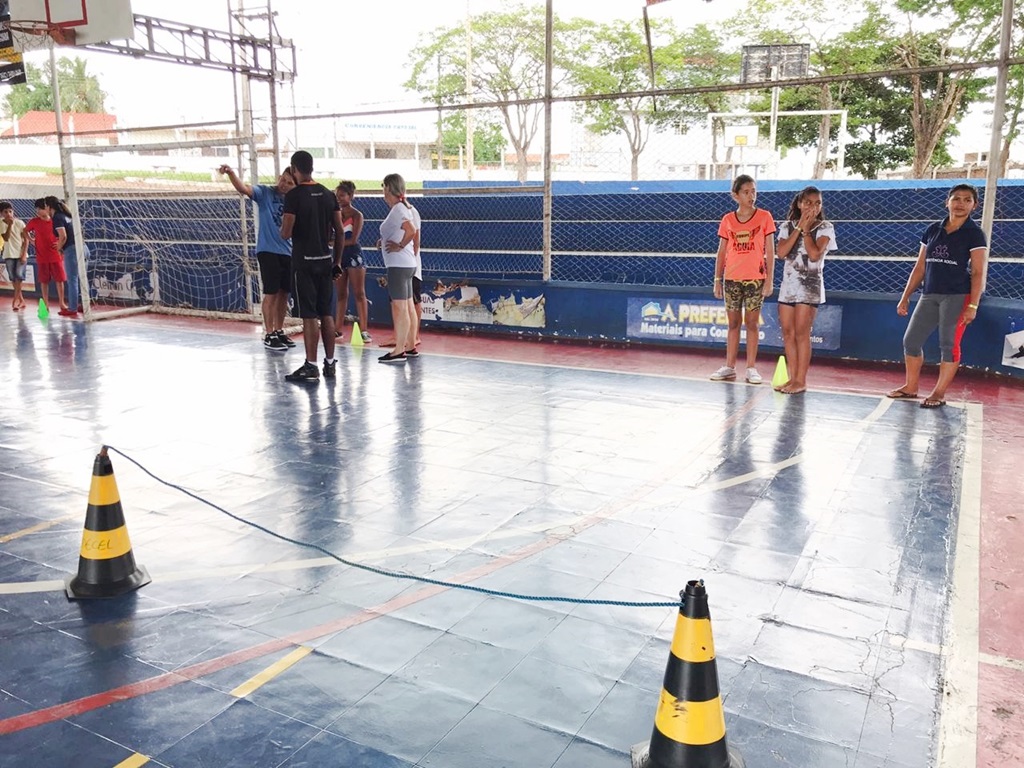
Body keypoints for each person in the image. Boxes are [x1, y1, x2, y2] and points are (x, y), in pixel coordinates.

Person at [888, 183, 988, 408]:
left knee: (949, 345)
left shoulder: (974, 234)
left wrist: (972, 306)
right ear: (947, 202)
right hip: (930, 294)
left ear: (974, 206)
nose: (960, 203)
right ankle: (911, 387)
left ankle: (939, 393)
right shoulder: (933, 229)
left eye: (967, 200)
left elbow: (978, 272)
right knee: (911, 341)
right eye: (956, 198)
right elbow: (920, 267)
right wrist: (905, 296)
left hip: (957, 296)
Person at [280, 150, 343, 382]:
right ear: (312, 168)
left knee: (309, 315)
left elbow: (286, 233)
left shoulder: (294, 196)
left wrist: (283, 227)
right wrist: (337, 262)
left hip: (304, 262)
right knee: (326, 312)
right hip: (325, 261)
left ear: (294, 169)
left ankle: (311, 365)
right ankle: (330, 363)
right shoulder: (328, 194)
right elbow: (339, 231)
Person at [219, 164, 297, 351]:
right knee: (271, 292)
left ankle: (279, 330)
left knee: (283, 293)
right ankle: (269, 333)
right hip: (268, 250)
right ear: (279, 177)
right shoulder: (265, 193)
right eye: (283, 180)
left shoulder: (295, 201)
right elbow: (244, 188)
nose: (284, 184)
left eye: (289, 183)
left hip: (287, 251)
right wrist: (231, 173)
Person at [710, 174, 776, 384]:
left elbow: (770, 250)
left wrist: (769, 279)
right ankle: (729, 366)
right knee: (733, 323)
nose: (751, 196)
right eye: (746, 192)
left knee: (752, 323)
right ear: (735, 196)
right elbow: (722, 251)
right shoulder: (728, 220)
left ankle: (751, 367)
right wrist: (717, 279)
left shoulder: (765, 217)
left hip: (756, 278)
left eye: (753, 191)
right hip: (731, 278)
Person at [774, 186, 836, 395]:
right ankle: (792, 378)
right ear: (800, 204)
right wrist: (799, 227)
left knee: (802, 333)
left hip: (809, 287)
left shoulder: (825, 227)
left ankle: (801, 380)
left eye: (818, 203)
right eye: (809, 202)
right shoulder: (786, 226)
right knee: (788, 333)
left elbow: (815, 254)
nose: (813, 207)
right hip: (788, 288)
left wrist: (807, 230)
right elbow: (781, 252)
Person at [377, 173, 418, 363]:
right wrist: (385, 240)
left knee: (400, 307)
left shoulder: (398, 209)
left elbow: (411, 230)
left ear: (388, 188)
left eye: (384, 187)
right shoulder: (403, 207)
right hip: (406, 264)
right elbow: (403, 230)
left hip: (398, 265)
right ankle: (409, 345)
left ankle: (399, 350)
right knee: (408, 306)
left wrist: (399, 245)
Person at [332, 181, 371, 343]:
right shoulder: (334, 214)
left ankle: (364, 330)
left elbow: (353, 239)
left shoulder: (357, 215)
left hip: (354, 256)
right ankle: (337, 329)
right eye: (337, 196)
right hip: (338, 257)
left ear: (351, 196)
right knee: (341, 294)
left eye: (342, 195)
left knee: (359, 293)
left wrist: (334, 243)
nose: (338, 198)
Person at [24, 198, 67, 314]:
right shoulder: (34, 221)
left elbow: (63, 234)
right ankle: (46, 303)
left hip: (55, 255)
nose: (38, 211)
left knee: (59, 280)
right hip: (42, 256)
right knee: (44, 281)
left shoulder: (55, 220)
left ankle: (62, 302)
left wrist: (59, 243)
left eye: (41, 208)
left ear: (47, 208)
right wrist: (31, 240)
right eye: (37, 209)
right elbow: (24, 231)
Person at [1, 202, 27, 311]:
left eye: (10, 211)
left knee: (19, 277)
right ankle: (21, 300)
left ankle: (15, 300)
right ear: (1, 214)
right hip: (8, 254)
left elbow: (26, 240)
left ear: (13, 212)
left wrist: (24, 254)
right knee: (13, 278)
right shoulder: (1, 224)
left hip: (20, 253)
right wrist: (10, 225)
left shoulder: (20, 223)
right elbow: (6, 238)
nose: (8, 214)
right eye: (5, 212)